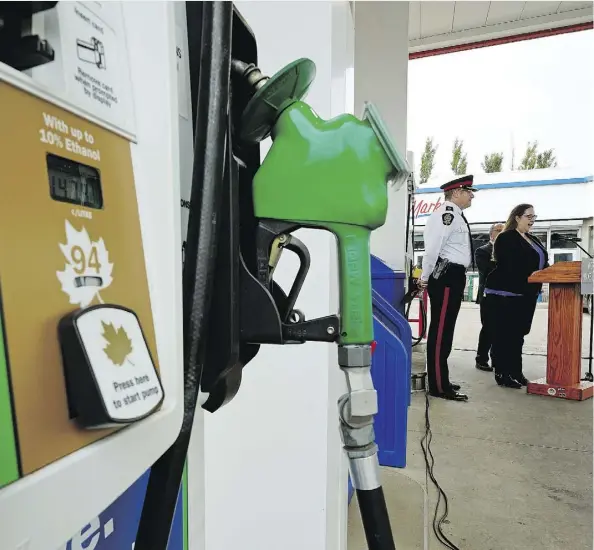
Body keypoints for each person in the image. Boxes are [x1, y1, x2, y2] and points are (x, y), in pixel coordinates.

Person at [419, 175, 477, 402]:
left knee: (446, 330)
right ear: (456, 193)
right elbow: (433, 249)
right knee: (441, 331)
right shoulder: (447, 214)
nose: (472, 195)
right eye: (469, 191)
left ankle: (441, 378)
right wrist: (425, 276)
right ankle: (438, 386)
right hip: (445, 275)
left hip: (453, 276)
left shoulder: (456, 216)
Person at [483, 204, 549, 389]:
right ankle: (502, 373)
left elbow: (544, 261)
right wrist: (532, 275)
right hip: (506, 293)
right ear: (517, 217)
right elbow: (509, 265)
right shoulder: (506, 237)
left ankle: (515, 371)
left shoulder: (532, 238)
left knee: (518, 335)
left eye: (534, 216)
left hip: (527, 294)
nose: (532, 220)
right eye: (529, 216)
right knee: (504, 335)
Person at [474, 222, 504, 371]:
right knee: (488, 328)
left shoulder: (507, 250)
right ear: (491, 234)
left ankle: (497, 359)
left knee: (502, 329)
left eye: (504, 231)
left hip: (505, 295)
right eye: (498, 230)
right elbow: (486, 270)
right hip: (488, 294)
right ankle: (481, 359)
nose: (501, 233)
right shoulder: (482, 251)